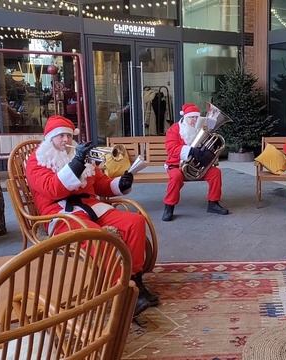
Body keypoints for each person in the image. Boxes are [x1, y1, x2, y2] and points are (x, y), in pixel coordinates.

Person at [25, 115, 158, 316]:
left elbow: (101, 183)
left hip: (91, 207)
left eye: (69, 136)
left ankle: (135, 278)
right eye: (60, 136)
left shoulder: (80, 158)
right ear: (49, 138)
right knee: (100, 237)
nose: (66, 140)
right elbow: (52, 189)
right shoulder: (38, 161)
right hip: (61, 215)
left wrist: (121, 183)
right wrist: (77, 163)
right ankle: (121, 290)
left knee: (135, 222)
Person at [162, 103, 229, 221]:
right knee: (176, 177)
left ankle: (213, 203)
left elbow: (210, 147)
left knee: (215, 173)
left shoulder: (202, 129)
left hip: (199, 165)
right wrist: (190, 151)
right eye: (190, 117)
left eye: (195, 117)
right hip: (176, 165)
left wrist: (210, 153)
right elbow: (171, 149)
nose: (193, 120)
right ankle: (169, 207)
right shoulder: (175, 129)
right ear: (185, 117)